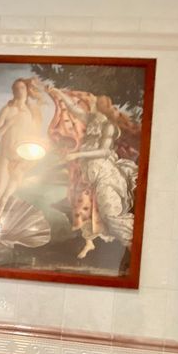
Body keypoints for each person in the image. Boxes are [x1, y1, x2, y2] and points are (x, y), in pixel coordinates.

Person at [47, 88, 137, 259]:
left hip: (104, 173)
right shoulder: (91, 119)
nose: (93, 105)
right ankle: (89, 242)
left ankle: (133, 252)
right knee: (81, 206)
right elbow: (73, 108)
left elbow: (104, 152)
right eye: (95, 103)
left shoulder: (109, 127)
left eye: (98, 104)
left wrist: (78, 154)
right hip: (88, 172)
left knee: (110, 214)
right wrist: (59, 93)